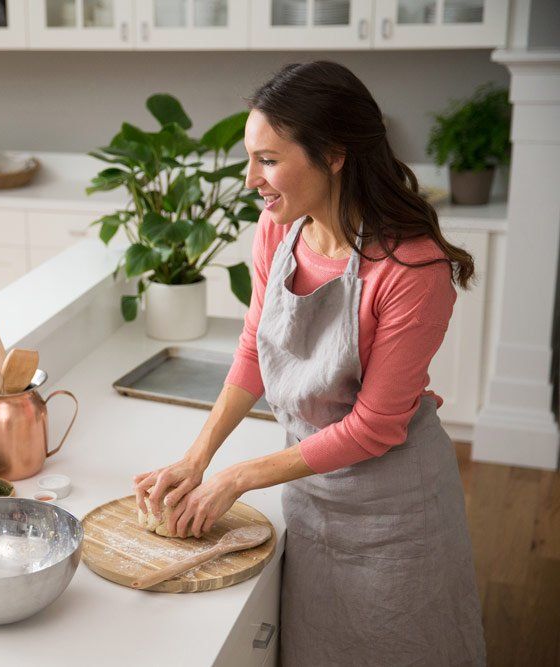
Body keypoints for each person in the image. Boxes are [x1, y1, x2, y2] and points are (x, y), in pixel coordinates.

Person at [132, 61, 485, 666]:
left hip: (394, 516)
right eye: (251, 159)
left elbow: (375, 426)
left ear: (335, 154)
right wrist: (197, 459)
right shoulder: (278, 232)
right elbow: (253, 352)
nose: (251, 180)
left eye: (267, 160)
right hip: (307, 493)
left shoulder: (412, 270)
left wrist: (237, 477)